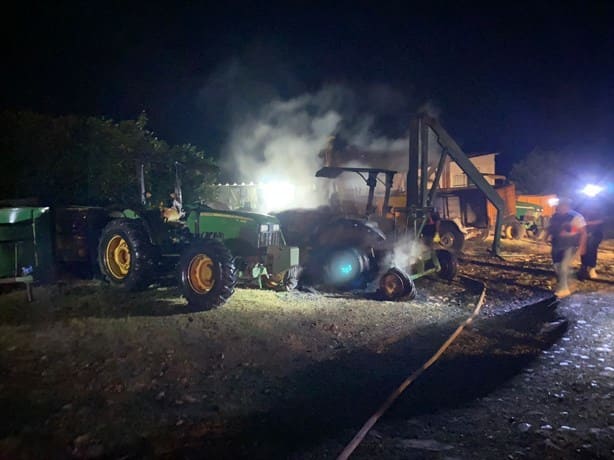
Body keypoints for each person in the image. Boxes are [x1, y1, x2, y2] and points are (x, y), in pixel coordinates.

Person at [547, 197, 587, 298]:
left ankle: (564, 289)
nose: (559, 208)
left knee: (563, 266)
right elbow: (550, 228)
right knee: (557, 266)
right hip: (556, 244)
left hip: (570, 245)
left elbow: (583, 233)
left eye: (562, 206)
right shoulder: (555, 216)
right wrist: (545, 237)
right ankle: (569, 279)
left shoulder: (576, 217)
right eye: (559, 206)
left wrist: (582, 247)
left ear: (567, 206)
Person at [578, 202, 604, 280]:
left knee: (592, 248)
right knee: (583, 249)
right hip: (583, 232)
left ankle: (592, 267)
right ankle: (584, 267)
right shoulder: (581, 207)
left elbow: (603, 220)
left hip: (596, 233)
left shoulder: (600, 208)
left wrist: (588, 223)